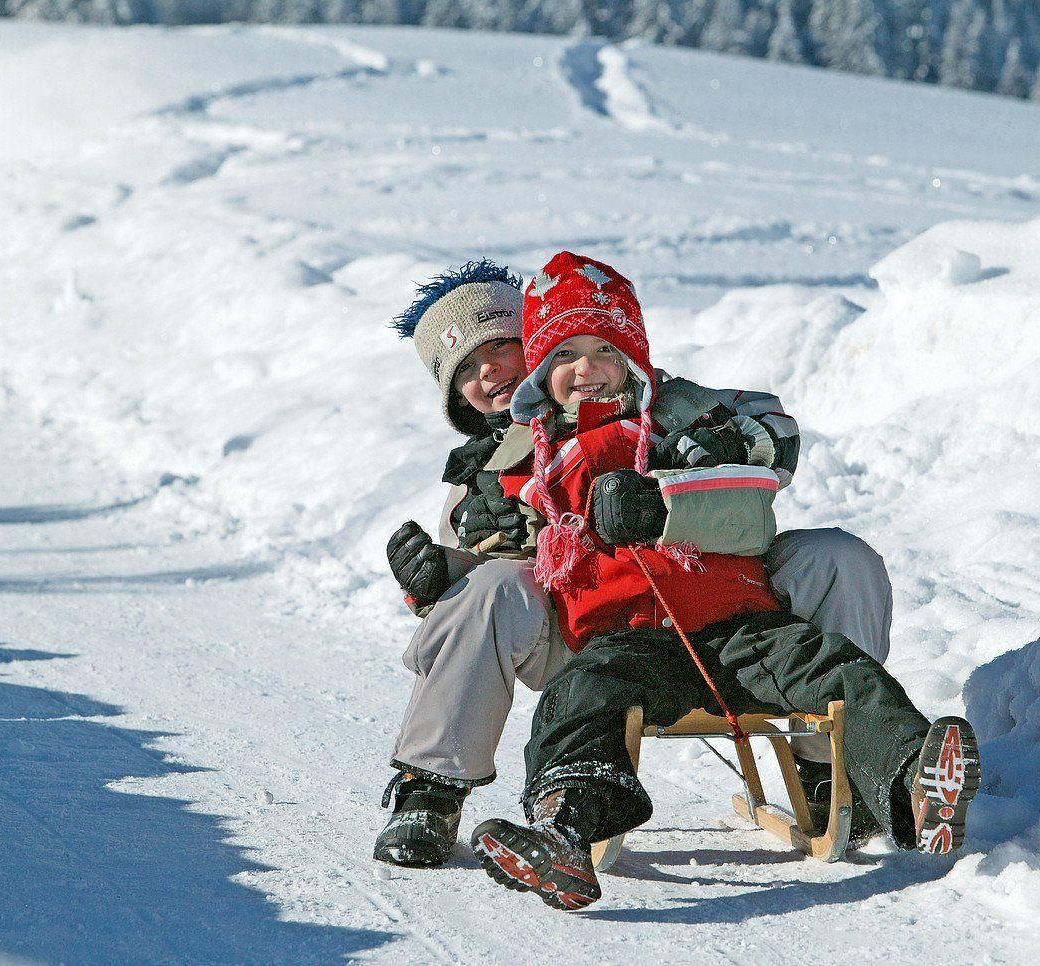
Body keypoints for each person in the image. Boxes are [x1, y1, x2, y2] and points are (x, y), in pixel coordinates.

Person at [470, 252, 980, 911]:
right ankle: (566, 824)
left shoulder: (686, 423)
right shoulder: (527, 460)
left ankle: (913, 785)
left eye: (606, 349)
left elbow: (757, 476)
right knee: (581, 697)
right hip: (630, 640)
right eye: (567, 355)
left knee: (844, 673)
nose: (588, 369)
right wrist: (458, 544)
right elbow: (493, 546)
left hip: (743, 624)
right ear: (541, 372)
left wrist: (677, 485)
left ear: (634, 359)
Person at [374, 260, 895, 867]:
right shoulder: (482, 478)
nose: (488, 370)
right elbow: (474, 609)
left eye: (499, 346)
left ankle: (835, 765)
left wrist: (714, 452)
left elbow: (774, 434)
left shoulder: (671, 404)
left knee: (836, 556)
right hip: (586, 638)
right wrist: (437, 575)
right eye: (464, 367)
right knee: (491, 585)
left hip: (727, 611)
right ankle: (429, 793)